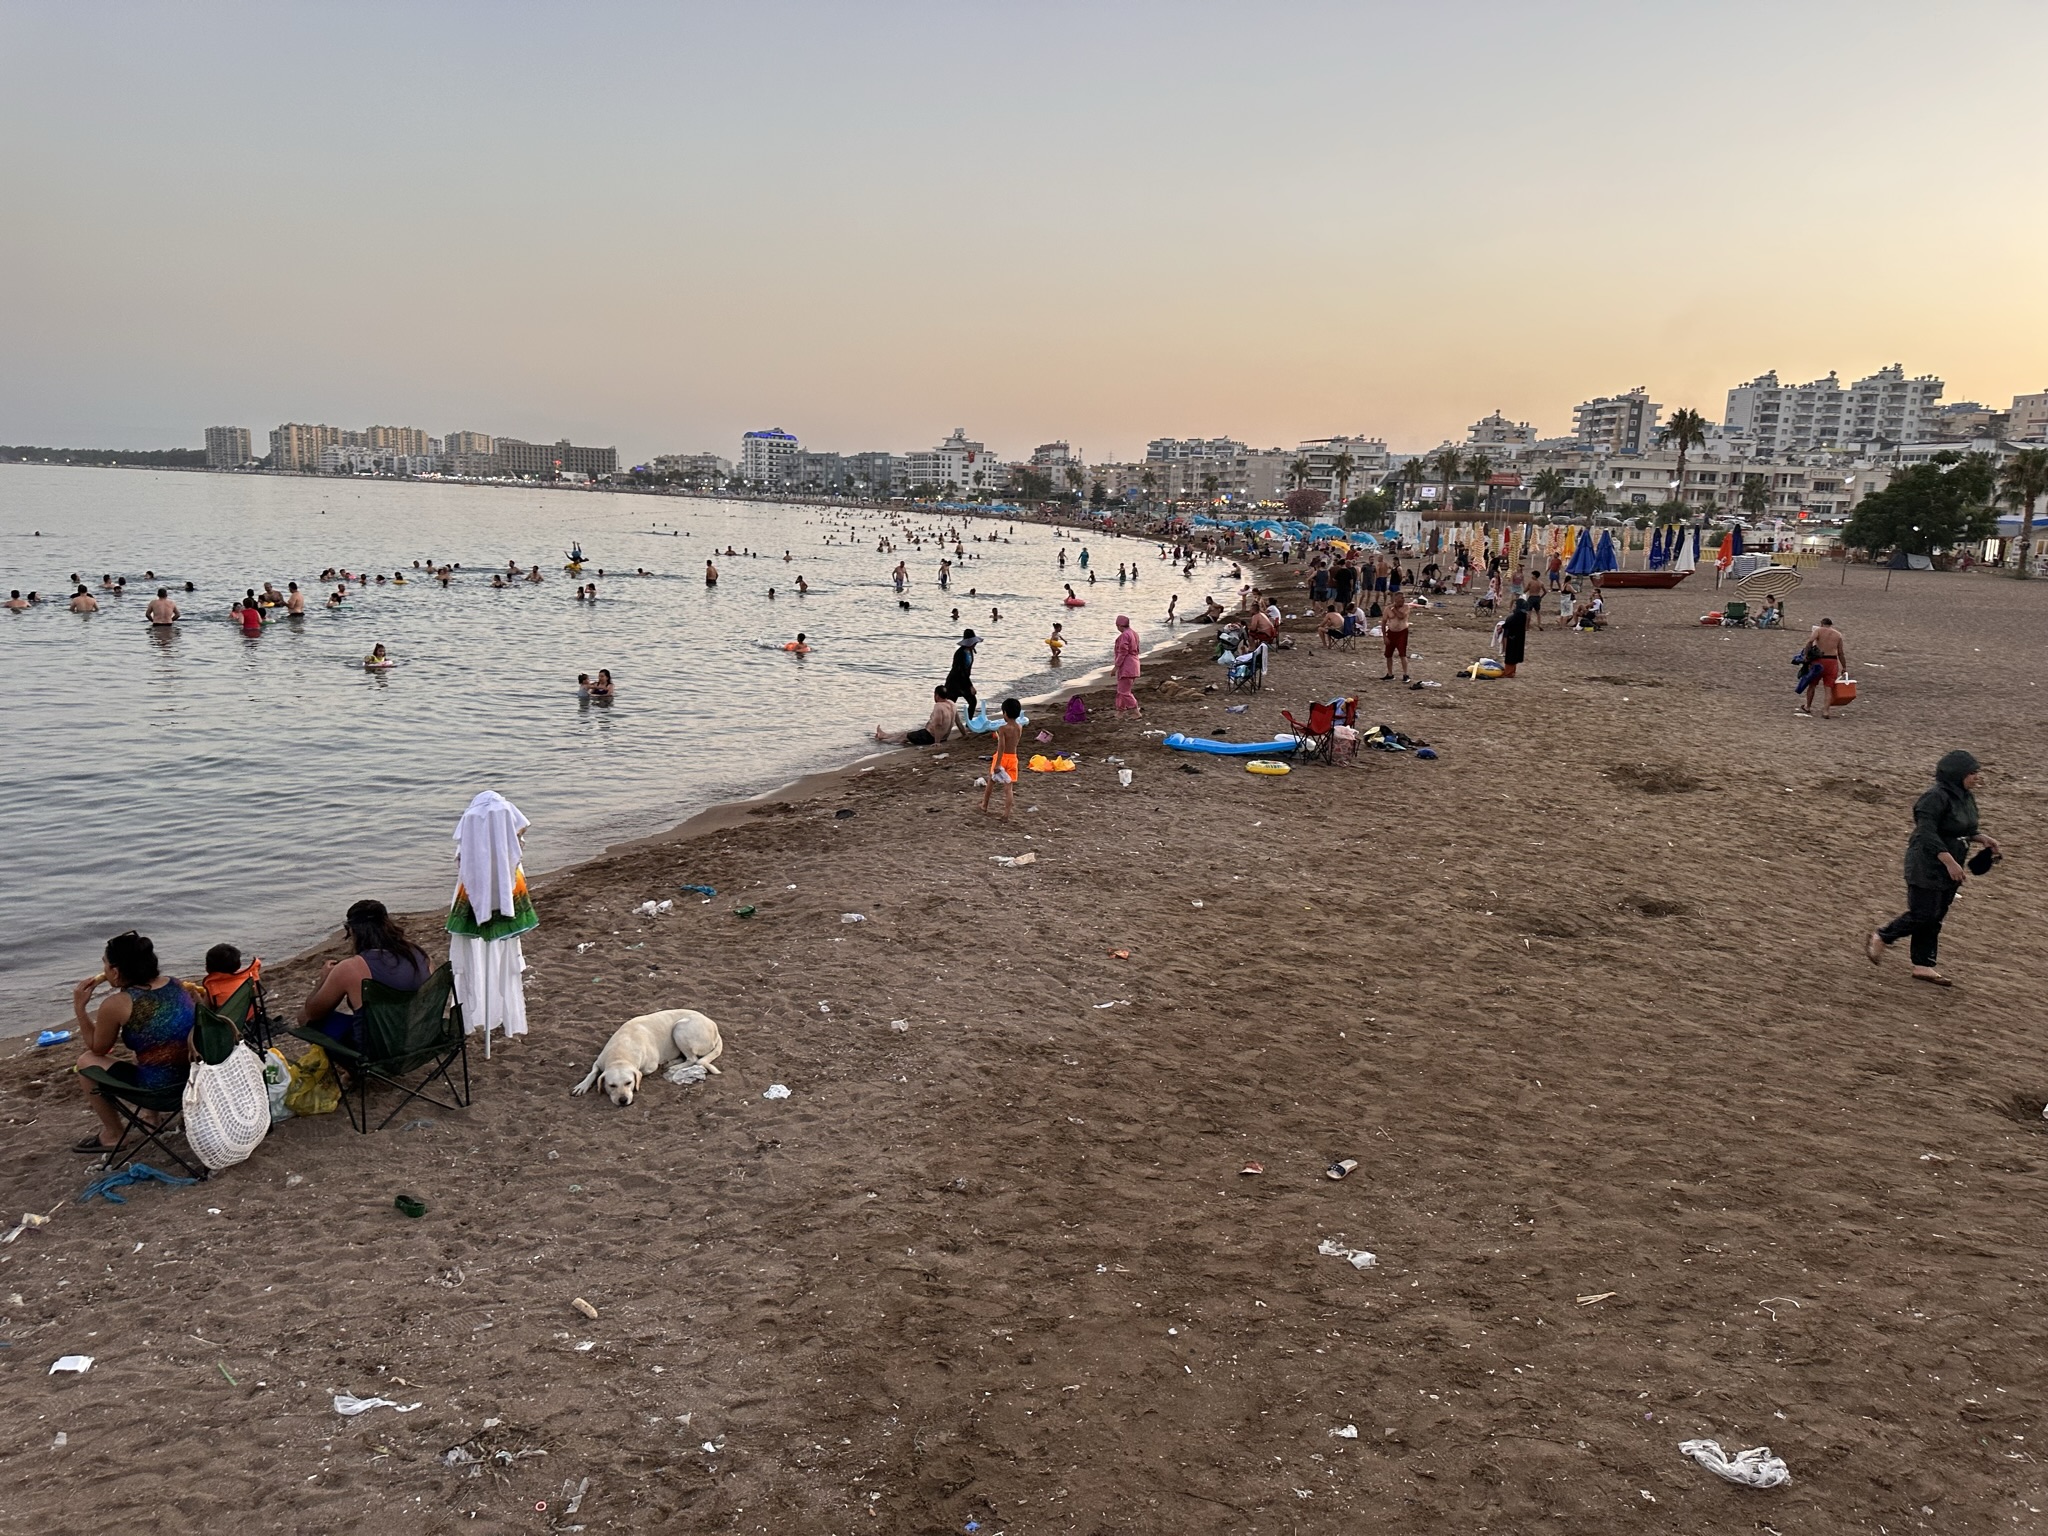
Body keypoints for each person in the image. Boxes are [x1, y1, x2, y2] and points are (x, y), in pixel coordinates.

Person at [1868, 750, 1998, 986]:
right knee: (1923, 913)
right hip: (1926, 862)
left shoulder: (1965, 797)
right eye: (1972, 772)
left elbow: (1962, 828)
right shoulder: (1933, 798)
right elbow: (1926, 833)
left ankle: (1923, 965)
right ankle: (1883, 936)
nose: (1976, 777)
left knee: (1936, 915)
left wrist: (1981, 838)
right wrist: (1949, 861)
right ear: (1957, 774)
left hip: (1953, 861)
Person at [69, 930, 196, 1154]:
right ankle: (151, 1118)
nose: (104, 971)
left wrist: (80, 1007)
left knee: (85, 1062)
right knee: (151, 1048)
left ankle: (113, 1134)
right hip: (195, 1080)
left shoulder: (117, 1004)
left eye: (105, 964)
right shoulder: (176, 985)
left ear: (116, 971)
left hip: (161, 1091)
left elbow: (99, 1049)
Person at [297, 900, 431, 1049]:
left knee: (304, 1016)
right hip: (420, 1037)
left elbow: (313, 1013)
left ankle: (347, 1063)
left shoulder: (351, 967)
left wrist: (323, 979)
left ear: (352, 930)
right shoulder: (420, 955)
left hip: (377, 1050)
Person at [981, 698, 1023, 818]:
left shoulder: (1002, 729)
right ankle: (1006, 813)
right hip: (1013, 758)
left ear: (1005, 713)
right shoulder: (1019, 727)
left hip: (1002, 758)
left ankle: (984, 805)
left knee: (991, 781)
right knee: (1008, 788)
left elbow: (1001, 747)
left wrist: (998, 763)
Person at [1798, 616, 1848, 718]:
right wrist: (1844, 667)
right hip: (1832, 661)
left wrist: (1805, 655)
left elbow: (1810, 642)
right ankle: (1826, 711)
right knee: (1828, 688)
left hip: (1819, 660)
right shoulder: (1838, 635)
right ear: (1831, 625)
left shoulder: (1818, 630)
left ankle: (1808, 706)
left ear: (1821, 624)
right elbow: (1841, 653)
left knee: (1812, 685)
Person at [875, 686, 960, 746]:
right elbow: (958, 722)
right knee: (905, 733)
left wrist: (937, 742)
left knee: (904, 737)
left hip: (930, 737)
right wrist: (964, 734)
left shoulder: (938, 706)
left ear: (937, 696)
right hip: (943, 737)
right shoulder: (952, 704)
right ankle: (884, 735)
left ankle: (882, 742)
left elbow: (938, 725)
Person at [201, 943, 263, 1007]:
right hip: (249, 1012)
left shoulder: (212, 986)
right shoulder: (249, 979)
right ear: (238, 965)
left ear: (209, 968)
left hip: (225, 1013)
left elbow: (203, 1008)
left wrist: (195, 993)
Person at [944, 629, 980, 715]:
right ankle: (945, 721)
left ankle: (969, 722)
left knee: (973, 702)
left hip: (964, 681)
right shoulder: (959, 653)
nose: (975, 644)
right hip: (954, 682)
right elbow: (960, 671)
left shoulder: (970, 651)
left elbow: (966, 672)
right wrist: (970, 686)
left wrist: (969, 685)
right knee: (949, 705)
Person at [1113, 614, 1142, 717]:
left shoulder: (1125, 635)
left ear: (1119, 625)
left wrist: (1116, 666)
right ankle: (1120, 711)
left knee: (1123, 691)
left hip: (1127, 666)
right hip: (1134, 664)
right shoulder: (1134, 633)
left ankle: (1135, 711)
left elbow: (1123, 652)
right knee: (1122, 690)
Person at [1382, 589, 1411, 682]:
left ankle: (1405, 674)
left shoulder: (1406, 607)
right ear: (1396, 599)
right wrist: (1384, 636)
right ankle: (1390, 674)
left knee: (1402, 653)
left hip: (1402, 632)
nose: (1403, 600)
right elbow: (1384, 622)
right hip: (1391, 632)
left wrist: (1394, 609)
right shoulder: (1387, 609)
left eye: (1403, 598)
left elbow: (1401, 616)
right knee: (1388, 654)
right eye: (1401, 598)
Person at [1498, 594, 1528, 677]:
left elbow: (1511, 623)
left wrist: (1502, 626)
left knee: (1510, 655)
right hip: (1519, 636)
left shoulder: (1518, 614)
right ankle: (1512, 671)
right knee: (1515, 655)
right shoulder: (1523, 614)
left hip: (1513, 636)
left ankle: (1508, 672)